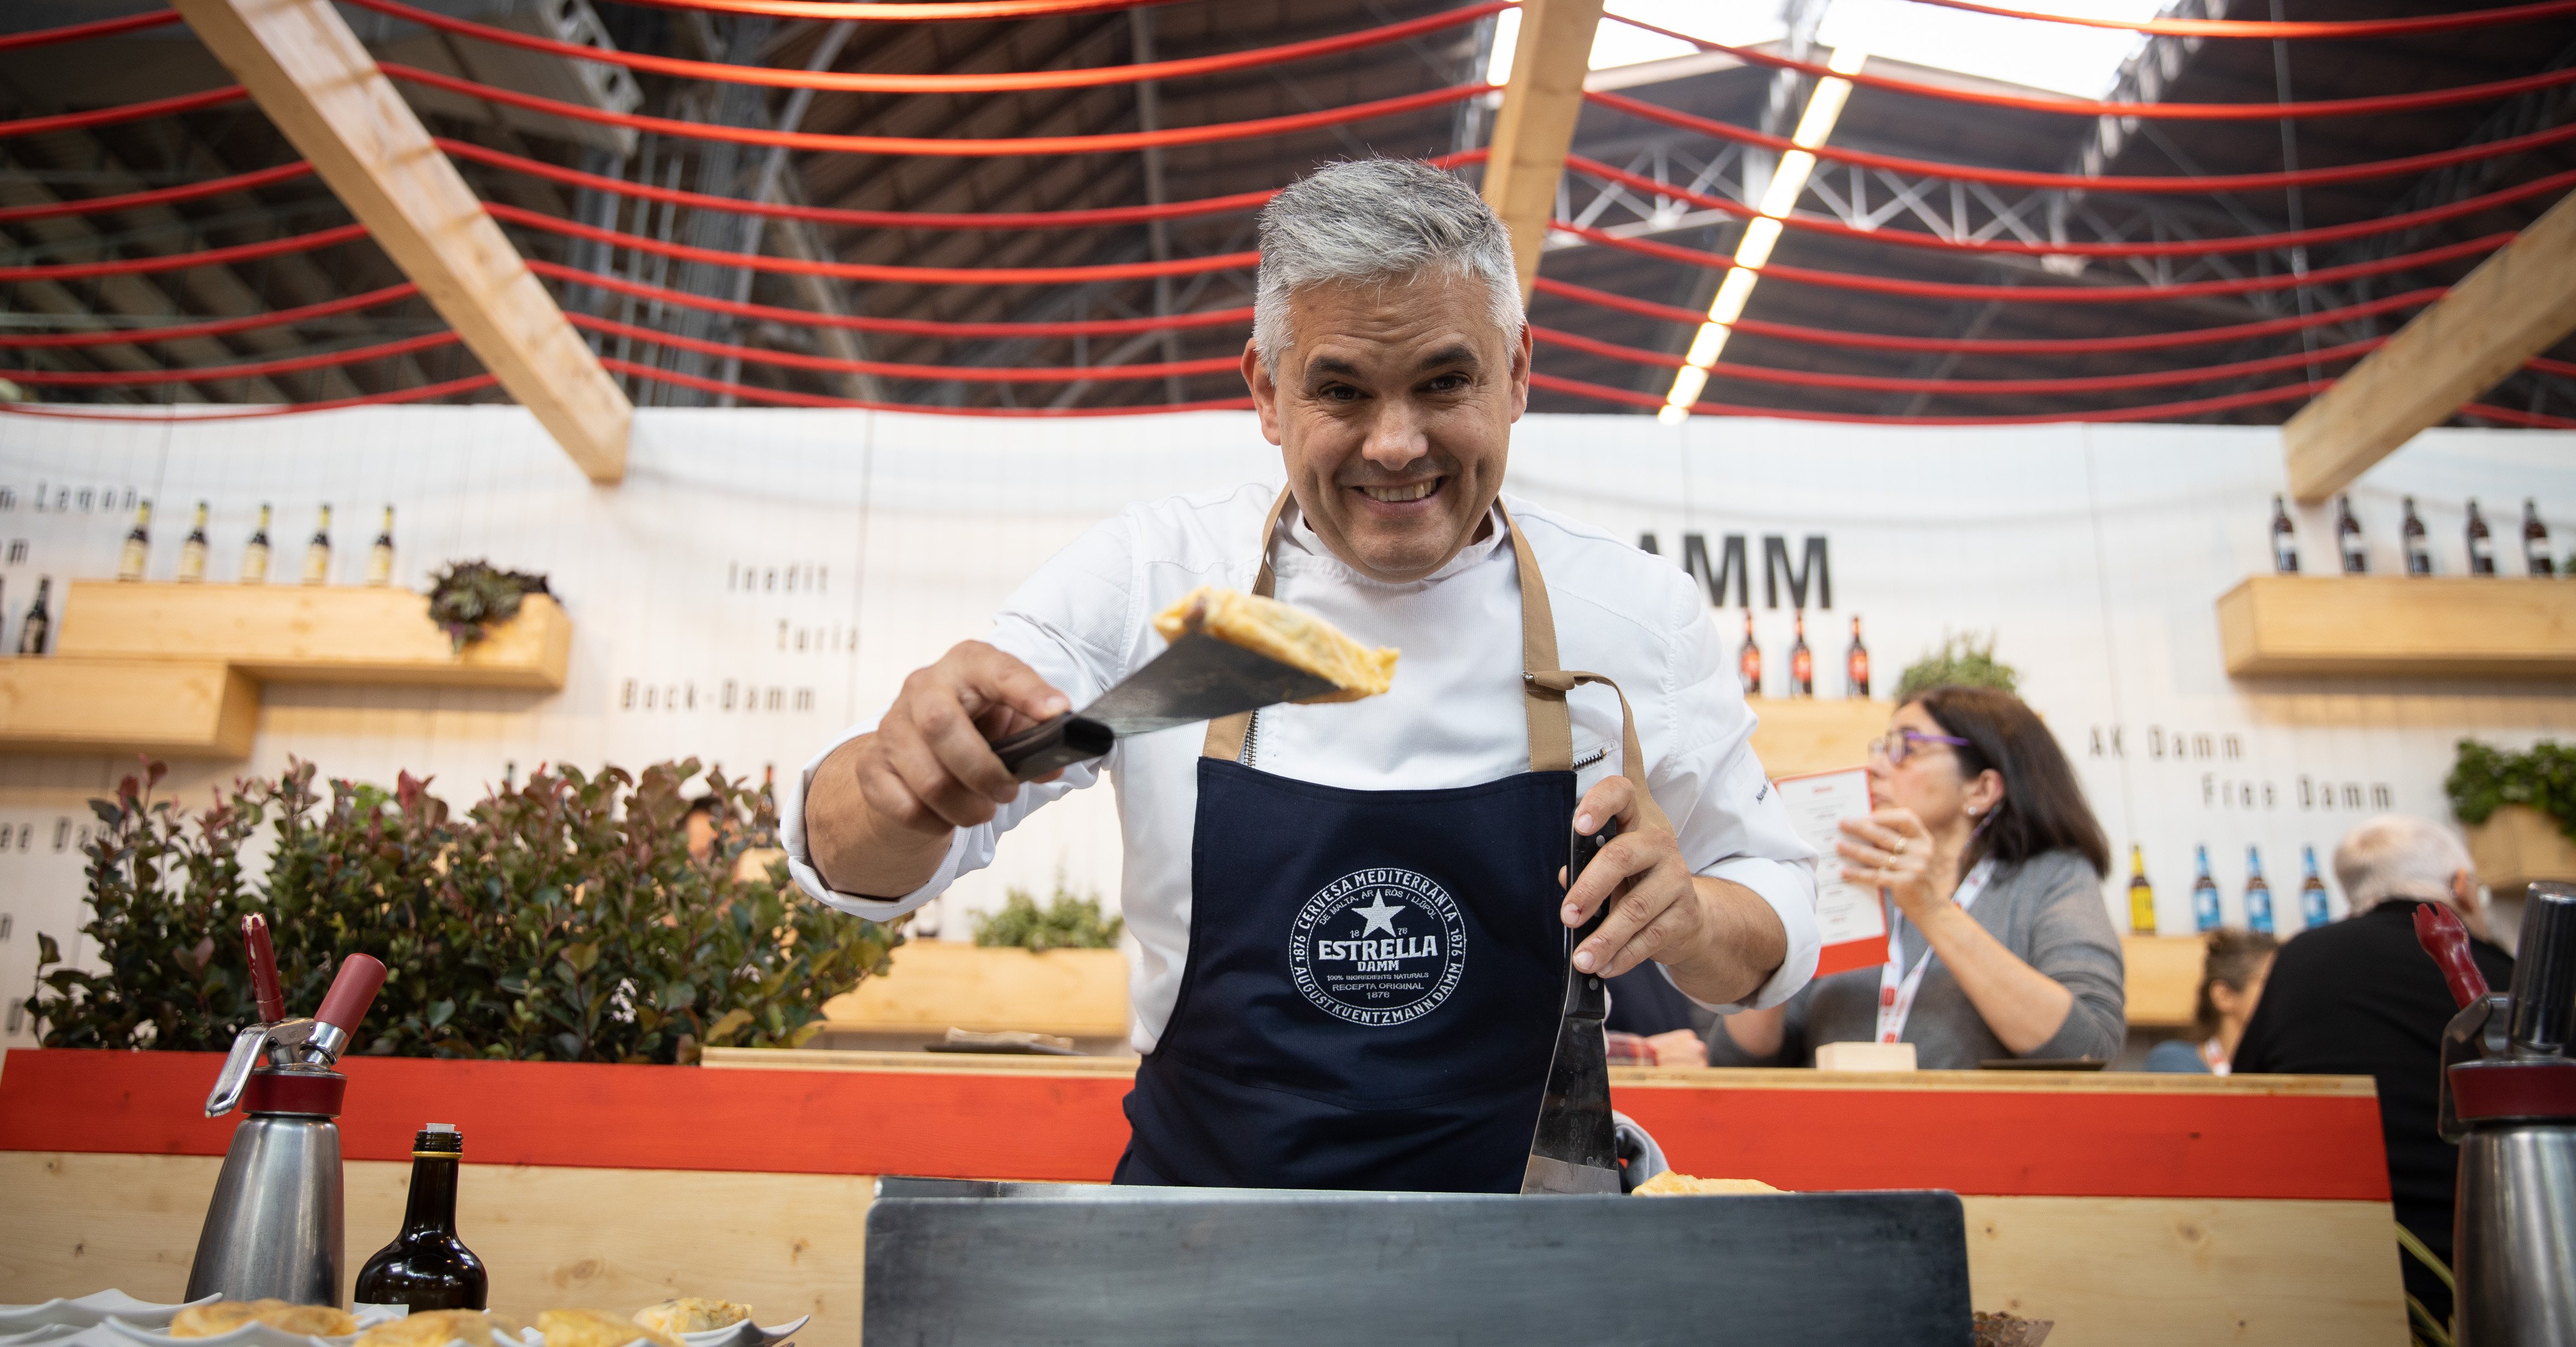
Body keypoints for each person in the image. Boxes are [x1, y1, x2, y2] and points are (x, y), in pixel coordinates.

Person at [783, 159, 1818, 1192]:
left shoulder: (1632, 613)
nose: (1396, 444)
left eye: (1443, 382)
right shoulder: (1153, 583)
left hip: (1527, 1255)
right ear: (1266, 394)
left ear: (1515, 374)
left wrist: (1693, 921)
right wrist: (893, 780)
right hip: (1206, 1240)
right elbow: (859, 869)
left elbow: (1773, 912)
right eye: (1340, 390)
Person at [1706, 686, 2126, 1070]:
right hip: (1837, 1140)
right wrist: (1784, 910)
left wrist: (1931, 908)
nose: (1876, 766)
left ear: (1981, 790)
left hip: (1986, 1147)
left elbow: (2088, 1046)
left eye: (1906, 747)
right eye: (1881, 747)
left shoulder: (2051, 877)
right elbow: (1735, 1059)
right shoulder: (1853, 883)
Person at [2231, 814, 2513, 1331]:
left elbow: (2243, 1100)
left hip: (2333, 1280)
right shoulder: (2502, 976)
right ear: (2461, 887)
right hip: (2491, 1278)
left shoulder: (2300, 961)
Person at [2141, 928, 2276, 1074]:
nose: (2285, 995)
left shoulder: (2284, 1067)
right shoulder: (2172, 1063)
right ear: (2224, 996)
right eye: (2272, 983)